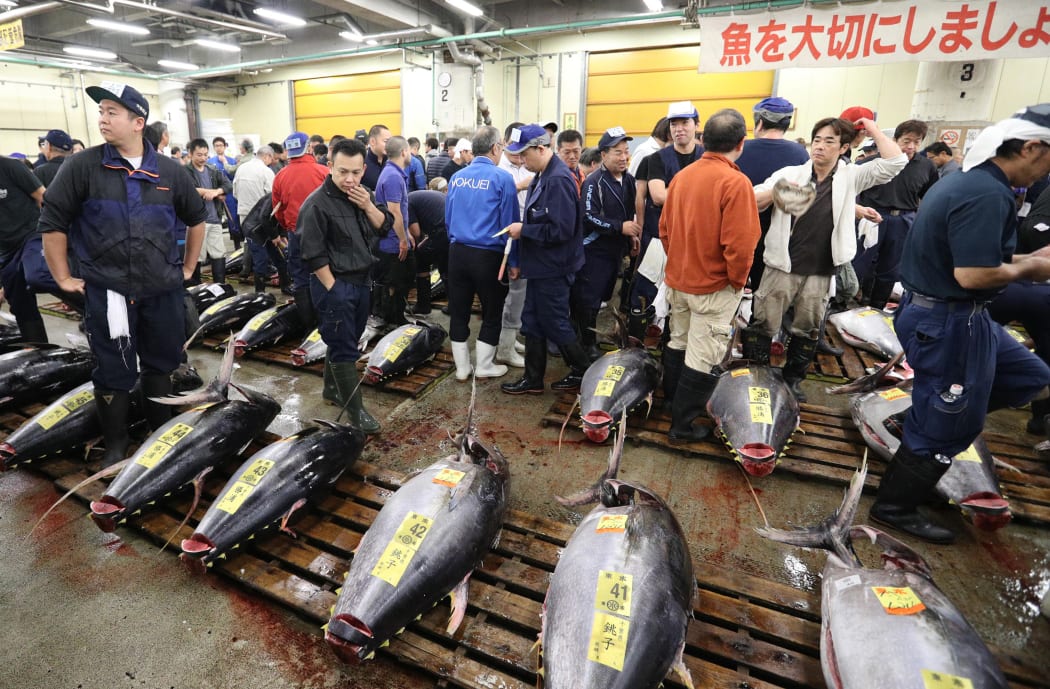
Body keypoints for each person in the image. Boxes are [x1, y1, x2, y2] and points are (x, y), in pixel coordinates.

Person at [869, 104, 1050, 544]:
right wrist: (1031, 270)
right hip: (947, 319)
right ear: (1030, 148)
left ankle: (915, 421)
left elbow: (979, 256)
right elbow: (972, 274)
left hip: (961, 314)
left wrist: (1028, 259)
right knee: (950, 421)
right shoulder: (986, 193)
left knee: (1031, 374)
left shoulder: (978, 184)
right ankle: (895, 506)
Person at [39, 81, 205, 466]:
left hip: (161, 290)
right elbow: (52, 222)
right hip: (110, 291)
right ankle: (116, 444)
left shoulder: (169, 171)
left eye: (112, 112)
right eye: (101, 112)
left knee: (162, 362)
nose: (102, 119)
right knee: (114, 367)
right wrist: (62, 277)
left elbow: (197, 219)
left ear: (137, 122)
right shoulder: (82, 167)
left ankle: (158, 435)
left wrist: (189, 267)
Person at [747, 116, 906, 403]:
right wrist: (777, 192)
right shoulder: (790, 173)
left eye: (829, 141)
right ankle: (759, 377)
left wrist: (870, 127)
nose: (820, 146)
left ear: (844, 147)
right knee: (763, 323)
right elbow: (753, 200)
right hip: (780, 265)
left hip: (820, 270)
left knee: (807, 328)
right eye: (817, 139)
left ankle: (793, 380)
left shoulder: (850, 176)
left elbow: (895, 163)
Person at [661, 110, 760, 443]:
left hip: (678, 280)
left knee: (678, 341)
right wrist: (737, 280)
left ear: (703, 139)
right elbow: (741, 244)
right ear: (741, 143)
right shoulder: (735, 182)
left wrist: (679, 261)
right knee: (702, 355)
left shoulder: (682, 177)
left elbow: (665, 231)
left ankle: (670, 404)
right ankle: (682, 426)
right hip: (714, 286)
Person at [299, 138, 393, 435]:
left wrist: (368, 206)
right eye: (342, 172)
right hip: (334, 285)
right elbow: (313, 254)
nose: (349, 179)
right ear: (330, 167)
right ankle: (355, 409)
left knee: (346, 340)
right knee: (344, 348)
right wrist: (333, 289)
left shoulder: (363, 194)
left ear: (364, 169)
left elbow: (385, 225)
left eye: (355, 172)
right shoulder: (316, 203)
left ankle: (331, 389)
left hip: (362, 282)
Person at [499, 124, 588, 395]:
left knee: (554, 321)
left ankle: (582, 370)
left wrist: (523, 229)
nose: (521, 161)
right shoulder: (541, 174)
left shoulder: (557, 180)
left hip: (554, 267)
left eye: (525, 155)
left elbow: (561, 230)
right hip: (539, 266)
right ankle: (533, 379)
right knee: (532, 321)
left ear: (541, 148)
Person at [444, 125, 519, 381]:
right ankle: (485, 365)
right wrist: (514, 261)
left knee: (459, 310)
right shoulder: (502, 179)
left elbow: (448, 218)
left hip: (457, 253)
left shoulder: (457, 178)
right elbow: (511, 225)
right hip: (489, 256)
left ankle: (462, 368)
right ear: (496, 147)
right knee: (492, 311)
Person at [630, 101, 704, 340]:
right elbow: (658, 196)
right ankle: (637, 342)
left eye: (685, 122)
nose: (679, 128)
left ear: (696, 125)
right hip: (658, 237)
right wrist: (699, 192)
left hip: (695, 239)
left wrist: (677, 191)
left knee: (684, 295)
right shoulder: (657, 159)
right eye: (674, 124)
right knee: (645, 290)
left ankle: (671, 342)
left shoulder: (706, 157)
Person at [853, 120, 940, 308]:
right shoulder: (871, 163)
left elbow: (931, 196)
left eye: (917, 142)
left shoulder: (926, 166)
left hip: (903, 220)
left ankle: (878, 307)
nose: (911, 146)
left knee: (890, 269)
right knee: (860, 263)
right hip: (871, 218)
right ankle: (851, 303)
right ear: (895, 140)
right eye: (906, 140)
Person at [574, 126, 640, 361]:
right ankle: (586, 344)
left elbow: (630, 213)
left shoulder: (629, 180)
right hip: (595, 251)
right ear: (603, 155)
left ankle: (589, 337)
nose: (623, 157)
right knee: (588, 301)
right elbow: (588, 216)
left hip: (615, 251)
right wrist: (618, 227)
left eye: (625, 151)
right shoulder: (594, 182)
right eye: (617, 152)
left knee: (604, 296)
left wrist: (631, 235)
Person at [735, 97, 809, 292]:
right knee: (765, 295)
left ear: (759, 122)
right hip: (779, 238)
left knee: (733, 290)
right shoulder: (800, 154)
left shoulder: (740, 149)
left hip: (739, 232)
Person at [273, 131, 329, 327]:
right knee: (325, 275)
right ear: (309, 148)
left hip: (295, 233)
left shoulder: (280, 176)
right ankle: (325, 324)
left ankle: (308, 327)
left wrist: (288, 226)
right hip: (323, 235)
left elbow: (277, 210)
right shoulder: (323, 172)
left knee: (300, 278)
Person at [0, 153, 50, 343]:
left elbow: (44, 197)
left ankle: (91, 308)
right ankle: (39, 351)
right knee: (19, 302)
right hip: (5, 249)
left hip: (31, 235)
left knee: (39, 275)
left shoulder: (11, 167)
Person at [496, 122, 534, 368]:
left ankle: (509, 338)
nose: (520, 155)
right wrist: (523, 184)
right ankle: (504, 348)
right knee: (513, 294)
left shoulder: (523, 165)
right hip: (508, 239)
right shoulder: (500, 169)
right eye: (515, 149)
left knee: (521, 294)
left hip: (525, 234)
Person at [372, 135, 414, 328]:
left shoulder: (392, 173)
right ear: (404, 152)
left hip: (394, 238)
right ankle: (393, 321)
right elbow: (394, 211)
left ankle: (393, 317)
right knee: (395, 284)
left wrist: (407, 232)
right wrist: (403, 240)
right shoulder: (394, 177)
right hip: (392, 243)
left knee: (397, 283)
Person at [233, 145, 285, 293]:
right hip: (261, 218)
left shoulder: (241, 168)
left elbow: (235, 192)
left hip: (244, 214)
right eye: (272, 158)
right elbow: (273, 198)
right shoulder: (266, 171)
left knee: (251, 245)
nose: (272, 161)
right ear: (267, 156)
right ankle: (262, 283)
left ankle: (246, 270)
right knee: (263, 251)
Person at [186, 137, 232, 284]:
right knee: (196, 256)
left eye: (206, 154)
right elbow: (190, 190)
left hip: (215, 219)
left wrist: (217, 191)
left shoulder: (212, 170)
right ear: (191, 154)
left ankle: (221, 287)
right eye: (199, 155)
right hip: (197, 222)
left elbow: (228, 185)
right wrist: (212, 192)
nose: (203, 158)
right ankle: (195, 290)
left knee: (219, 254)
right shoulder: (185, 171)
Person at [407, 182, 449, 316]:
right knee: (446, 267)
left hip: (441, 231)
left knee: (420, 258)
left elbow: (416, 232)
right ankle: (455, 305)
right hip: (453, 230)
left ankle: (423, 305)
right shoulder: (420, 196)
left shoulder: (407, 202)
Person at [361, 124, 390, 191]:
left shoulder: (392, 161)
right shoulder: (361, 162)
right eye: (386, 141)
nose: (389, 145)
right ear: (372, 142)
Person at [556, 129, 586, 193]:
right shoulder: (556, 177)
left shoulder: (581, 173)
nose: (572, 156)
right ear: (558, 150)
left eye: (576, 151)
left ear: (581, 149)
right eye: (567, 152)